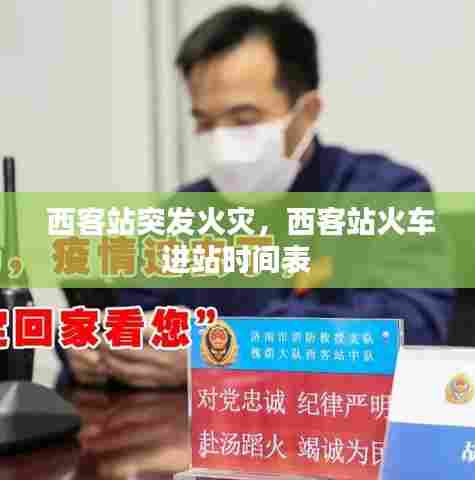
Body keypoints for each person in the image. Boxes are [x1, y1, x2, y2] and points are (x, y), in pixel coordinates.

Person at [59, 5, 454, 389]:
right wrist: (89, 349)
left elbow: (410, 327)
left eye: (243, 120)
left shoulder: (384, 195)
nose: (220, 142)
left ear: (306, 113)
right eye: (205, 123)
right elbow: (125, 311)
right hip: (188, 431)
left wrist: (221, 350)